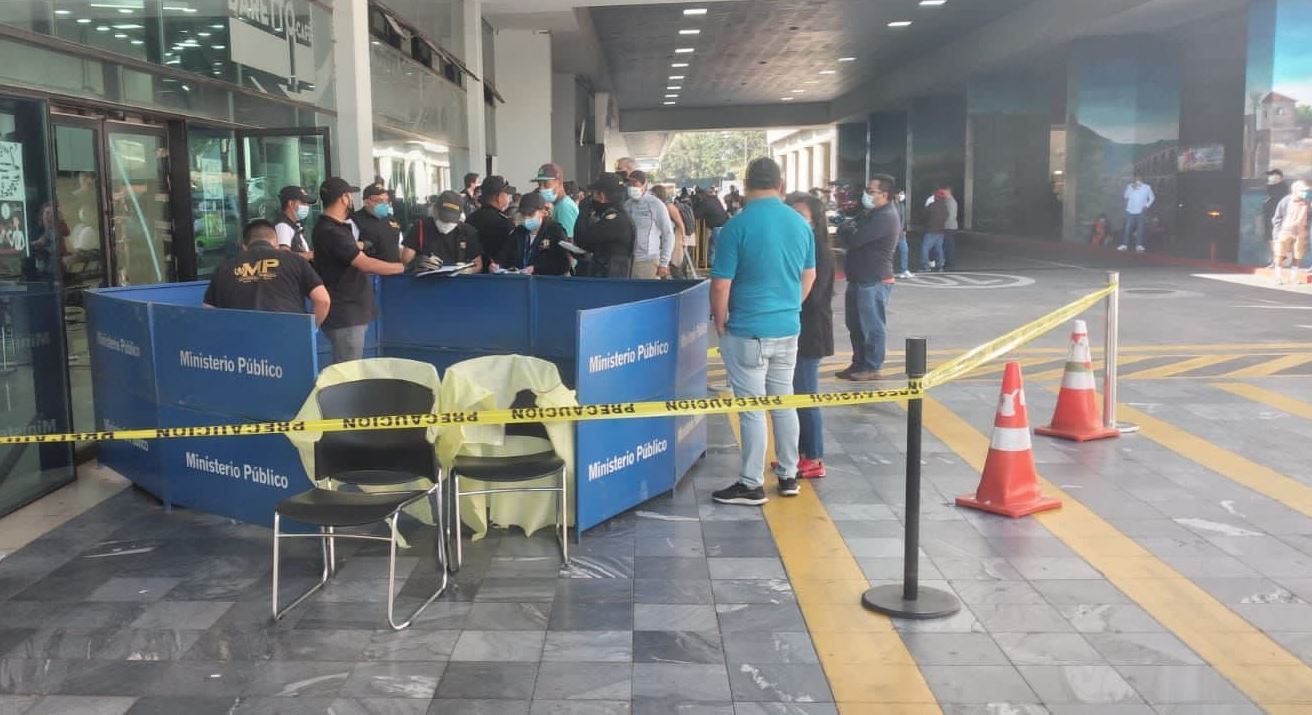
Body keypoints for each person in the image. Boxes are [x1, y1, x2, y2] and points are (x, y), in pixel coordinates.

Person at [710, 157, 816, 506]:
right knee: (783, 402)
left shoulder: (736, 227)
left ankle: (751, 482)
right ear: (780, 184)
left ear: (746, 185)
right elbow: (809, 275)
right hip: (788, 328)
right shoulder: (801, 224)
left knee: (753, 408)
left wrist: (720, 320)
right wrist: (790, 307)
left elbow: (721, 285)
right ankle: (788, 475)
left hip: (748, 331)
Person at [312, 177, 406, 363]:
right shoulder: (332, 231)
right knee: (348, 373)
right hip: (345, 313)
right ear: (344, 198)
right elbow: (365, 264)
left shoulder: (335, 228)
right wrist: (402, 267)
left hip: (350, 310)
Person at [785, 192, 835, 480]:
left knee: (805, 396)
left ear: (815, 222)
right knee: (793, 396)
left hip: (810, 333)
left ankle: (814, 456)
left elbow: (814, 298)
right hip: (797, 329)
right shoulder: (800, 246)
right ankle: (799, 455)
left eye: (800, 216)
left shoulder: (818, 252)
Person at [204, 219, 330, 326]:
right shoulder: (294, 260)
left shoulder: (224, 268)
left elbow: (208, 309)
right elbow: (323, 300)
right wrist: (308, 329)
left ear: (244, 247)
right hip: (287, 337)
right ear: (276, 244)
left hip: (240, 340)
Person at [838, 175, 900, 381]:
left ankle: (872, 366)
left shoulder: (885, 216)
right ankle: (858, 363)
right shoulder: (869, 213)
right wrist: (848, 229)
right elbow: (844, 230)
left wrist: (849, 230)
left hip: (874, 279)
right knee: (854, 325)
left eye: (871, 191)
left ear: (884, 194)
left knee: (872, 326)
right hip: (858, 278)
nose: (866, 195)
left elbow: (855, 239)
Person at [403, 190, 484, 272]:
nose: (447, 223)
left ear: (460, 216)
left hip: (458, 281)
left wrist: (469, 270)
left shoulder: (467, 231)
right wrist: (417, 263)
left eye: (451, 220)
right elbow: (406, 259)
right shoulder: (420, 227)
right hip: (425, 280)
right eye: (444, 219)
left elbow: (478, 264)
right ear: (435, 211)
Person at [494, 191, 571, 276]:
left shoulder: (555, 232)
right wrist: (497, 265)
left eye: (530, 214)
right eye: (524, 214)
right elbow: (505, 254)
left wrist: (536, 268)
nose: (526, 218)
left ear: (542, 212)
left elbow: (564, 264)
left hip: (547, 283)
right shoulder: (519, 232)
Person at [575, 172, 635, 278]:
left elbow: (582, 238)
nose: (592, 199)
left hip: (609, 280)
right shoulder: (620, 217)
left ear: (602, 196)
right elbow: (593, 244)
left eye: (594, 194)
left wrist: (583, 212)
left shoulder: (613, 220)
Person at [624, 170, 675, 279]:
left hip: (648, 260)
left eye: (635, 184)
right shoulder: (627, 205)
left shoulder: (655, 204)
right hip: (628, 260)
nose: (631, 187)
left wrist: (664, 263)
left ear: (644, 184)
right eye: (629, 184)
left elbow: (668, 234)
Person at [465, 175, 515, 273]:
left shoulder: (471, 219)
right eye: (507, 194)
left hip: (473, 274)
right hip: (497, 275)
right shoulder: (504, 223)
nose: (509, 197)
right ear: (499, 197)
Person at [1270, 179, 1310, 285]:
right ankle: (1278, 277)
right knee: (1280, 255)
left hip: (1300, 232)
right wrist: (1277, 232)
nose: (1305, 192)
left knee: (1297, 255)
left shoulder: (1307, 202)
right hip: (1285, 231)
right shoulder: (1286, 201)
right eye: (1302, 190)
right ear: (1295, 190)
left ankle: (1294, 277)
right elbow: (1277, 218)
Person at [353, 184, 404, 264]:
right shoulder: (355, 220)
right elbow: (350, 250)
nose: (384, 204)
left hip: (395, 270)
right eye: (379, 201)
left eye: (386, 200)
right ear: (366, 202)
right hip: (371, 273)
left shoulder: (391, 218)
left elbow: (399, 246)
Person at [651, 185, 689, 278]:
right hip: (664, 238)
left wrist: (683, 239)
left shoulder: (669, 206)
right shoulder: (659, 205)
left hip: (675, 236)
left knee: (675, 264)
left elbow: (680, 223)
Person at [533, 163, 580, 238]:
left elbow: (567, 242)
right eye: (539, 185)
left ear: (558, 182)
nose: (541, 189)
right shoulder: (558, 205)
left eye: (546, 184)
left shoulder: (565, 207)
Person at [274, 185, 315, 260]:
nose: (307, 206)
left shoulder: (293, 225)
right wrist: (309, 255)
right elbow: (284, 255)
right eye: (303, 202)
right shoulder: (283, 226)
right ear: (291, 204)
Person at [1119, 175, 1155, 253]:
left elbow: (1152, 198)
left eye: (1139, 178)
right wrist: (1132, 188)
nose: (1138, 180)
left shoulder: (1147, 187)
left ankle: (1139, 245)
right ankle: (1124, 245)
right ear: (1134, 179)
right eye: (1136, 178)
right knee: (1127, 228)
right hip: (1130, 211)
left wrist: (1146, 205)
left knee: (1140, 229)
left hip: (1141, 211)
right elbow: (1125, 196)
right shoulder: (1130, 186)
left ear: (1142, 179)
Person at [1265, 169, 1289, 267]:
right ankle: (1276, 257)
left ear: (1280, 177)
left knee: (1276, 237)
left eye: (1274, 176)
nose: (1271, 178)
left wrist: (1271, 184)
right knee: (1269, 237)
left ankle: (1280, 258)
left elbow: (1276, 197)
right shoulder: (1271, 186)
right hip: (1269, 215)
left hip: (1278, 218)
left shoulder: (1282, 187)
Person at [922, 188, 949, 272]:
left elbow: (924, 216)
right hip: (941, 231)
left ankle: (925, 266)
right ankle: (940, 265)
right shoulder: (945, 207)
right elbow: (946, 216)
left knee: (925, 248)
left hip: (931, 230)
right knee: (939, 248)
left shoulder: (932, 206)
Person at [893, 190, 913, 279]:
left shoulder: (901, 205)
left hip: (901, 233)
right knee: (889, 253)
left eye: (903, 194)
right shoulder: (891, 205)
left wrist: (904, 229)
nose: (902, 196)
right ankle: (885, 271)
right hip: (892, 233)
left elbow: (903, 219)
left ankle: (904, 270)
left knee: (904, 250)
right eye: (900, 193)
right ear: (895, 194)